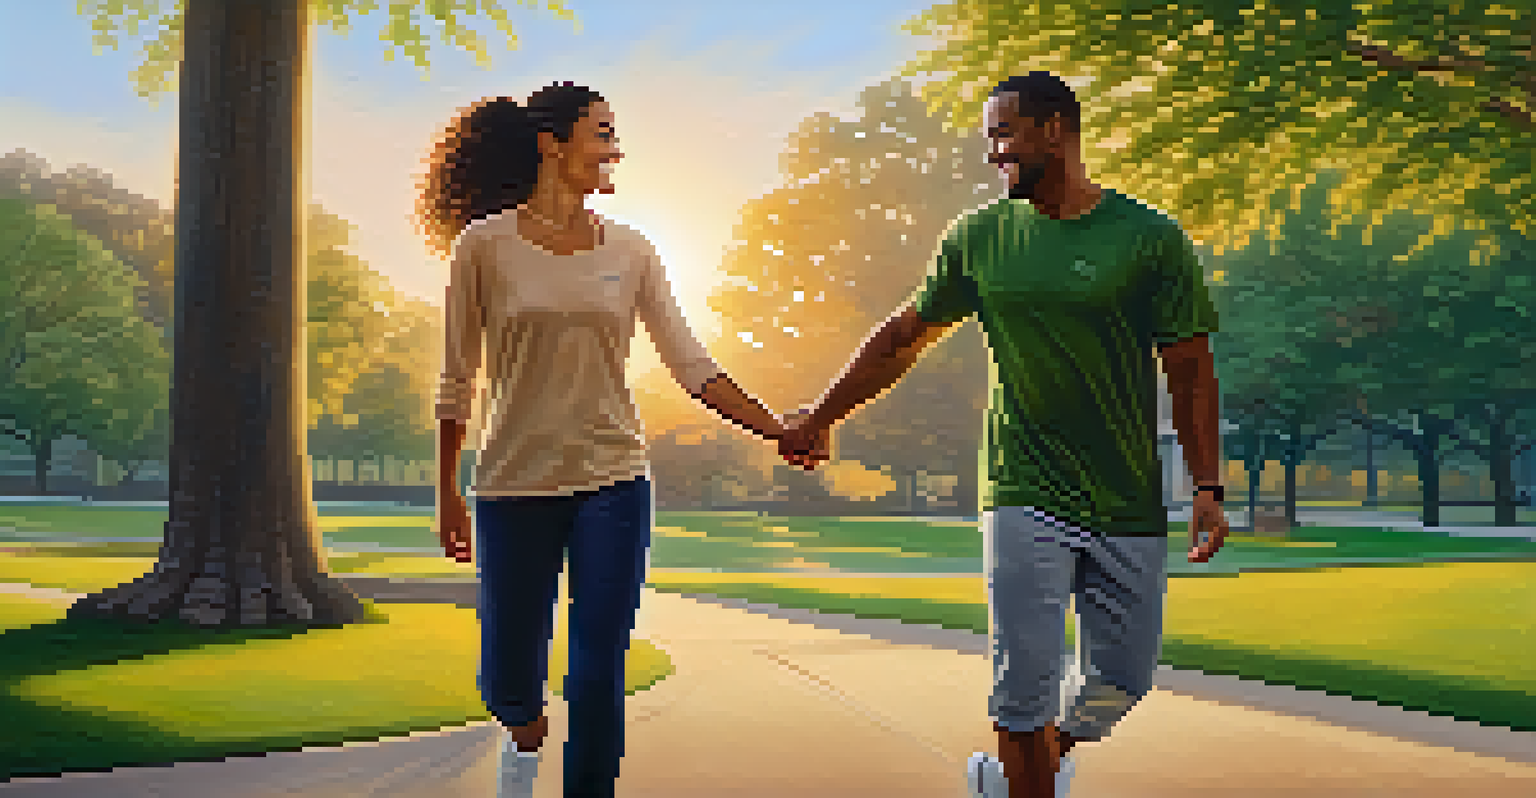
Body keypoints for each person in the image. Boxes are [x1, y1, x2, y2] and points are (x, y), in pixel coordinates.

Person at [778, 71, 1232, 798]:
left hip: (1124, 495)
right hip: (1022, 487)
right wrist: (820, 417)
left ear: (1055, 130)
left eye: (1004, 134)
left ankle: (1025, 770)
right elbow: (903, 338)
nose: (994, 154)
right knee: (1023, 684)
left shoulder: (1149, 240)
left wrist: (1207, 485)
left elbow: (1190, 367)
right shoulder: (979, 237)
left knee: (1121, 679)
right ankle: (1028, 772)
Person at [420, 82, 787, 798]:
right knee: (508, 681)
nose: (616, 148)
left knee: (596, 672)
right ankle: (522, 742)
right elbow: (455, 381)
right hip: (513, 486)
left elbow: (691, 364)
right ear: (551, 143)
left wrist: (781, 429)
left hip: (613, 481)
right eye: (602, 132)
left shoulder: (633, 249)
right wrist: (448, 495)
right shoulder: (483, 246)